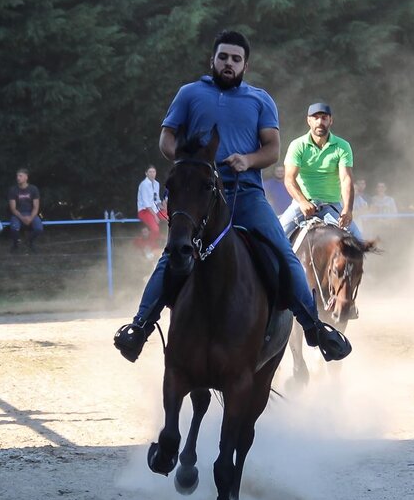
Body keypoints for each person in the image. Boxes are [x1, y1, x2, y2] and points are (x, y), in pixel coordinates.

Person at [113, 29, 348, 363]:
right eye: (223, 57)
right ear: (212, 60)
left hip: (246, 193)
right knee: (174, 251)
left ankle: (315, 329)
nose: (228, 63)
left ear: (244, 65)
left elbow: (272, 150)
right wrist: (184, 159)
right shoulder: (189, 94)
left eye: (235, 59)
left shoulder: (260, 100)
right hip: (198, 195)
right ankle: (140, 327)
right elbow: (167, 137)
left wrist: (247, 160)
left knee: (282, 251)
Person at [278, 102, 363, 240]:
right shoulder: (297, 145)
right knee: (274, 238)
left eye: (324, 118)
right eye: (316, 118)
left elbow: (346, 179)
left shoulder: (342, 146)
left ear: (331, 120)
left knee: (359, 242)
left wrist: (348, 209)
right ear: (309, 121)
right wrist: (302, 202)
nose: (320, 122)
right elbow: (289, 179)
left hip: (332, 206)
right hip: (302, 206)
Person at [7, 168, 43, 253]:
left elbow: (36, 207)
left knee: (39, 229)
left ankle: (29, 242)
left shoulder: (33, 189)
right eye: (17, 176)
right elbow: (13, 208)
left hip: (31, 213)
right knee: (14, 229)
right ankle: (16, 244)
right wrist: (23, 218)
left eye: (20, 176)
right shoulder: (13, 190)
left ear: (26, 177)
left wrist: (30, 218)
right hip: (18, 214)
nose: (18, 178)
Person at [135, 164, 165, 258]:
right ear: (146, 173)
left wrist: (164, 206)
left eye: (154, 172)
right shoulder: (144, 185)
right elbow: (147, 204)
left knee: (170, 217)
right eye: (150, 172)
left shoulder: (156, 184)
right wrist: (155, 216)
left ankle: (165, 242)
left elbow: (157, 200)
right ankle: (150, 249)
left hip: (154, 209)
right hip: (144, 211)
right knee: (155, 229)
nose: (152, 174)